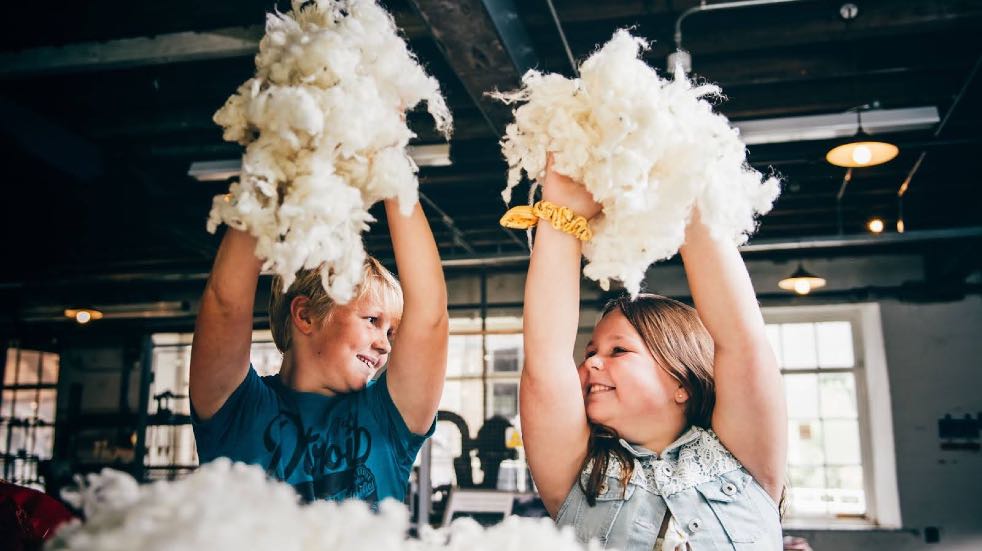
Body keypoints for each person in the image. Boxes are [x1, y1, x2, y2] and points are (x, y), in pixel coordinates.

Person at [519, 156, 788, 550]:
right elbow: (546, 360)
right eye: (591, 350)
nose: (591, 361)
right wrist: (561, 209)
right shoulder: (577, 471)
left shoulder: (746, 457)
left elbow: (742, 342)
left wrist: (687, 194)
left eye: (619, 351)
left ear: (681, 382)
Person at [189, 197, 449, 505]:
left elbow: (430, 318)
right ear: (305, 315)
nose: (386, 344)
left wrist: (393, 182)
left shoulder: (387, 419)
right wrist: (271, 173)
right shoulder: (238, 411)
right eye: (372, 320)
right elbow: (224, 305)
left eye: (391, 331)